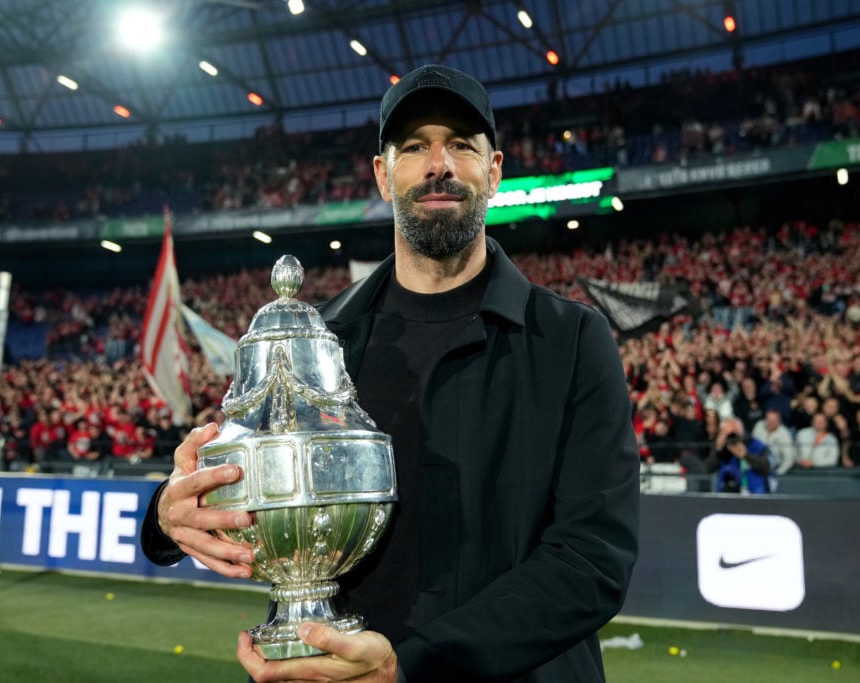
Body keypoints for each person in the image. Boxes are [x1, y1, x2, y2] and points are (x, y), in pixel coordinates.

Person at [139, 64, 640, 683]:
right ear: (383, 174)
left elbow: (592, 562)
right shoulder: (315, 341)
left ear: (495, 170)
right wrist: (166, 515)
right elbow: (239, 477)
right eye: (413, 147)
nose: (439, 164)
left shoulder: (572, 340)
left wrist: (411, 667)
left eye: (461, 144)